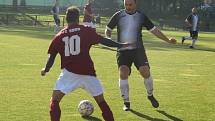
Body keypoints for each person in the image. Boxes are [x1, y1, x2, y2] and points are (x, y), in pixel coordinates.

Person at [41, 6, 132, 121]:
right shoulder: (86, 30)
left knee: (54, 101)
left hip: (69, 74)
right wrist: (121, 45)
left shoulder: (58, 36)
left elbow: (52, 56)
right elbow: (104, 41)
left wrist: (46, 69)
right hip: (88, 73)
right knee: (102, 103)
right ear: (78, 18)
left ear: (67, 18)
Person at [105, 0, 177, 111]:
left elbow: (154, 30)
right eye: (126, 5)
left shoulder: (141, 16)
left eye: (130, 5)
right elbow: (108, 29)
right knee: (123, 73)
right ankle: (126, 102)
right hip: (123, 51)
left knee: (145, 72)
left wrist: (167, 40)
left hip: (138, 50)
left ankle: (150, 95)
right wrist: (108, 38)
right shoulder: (118, 15)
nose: (128, 7)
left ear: (135, 4)